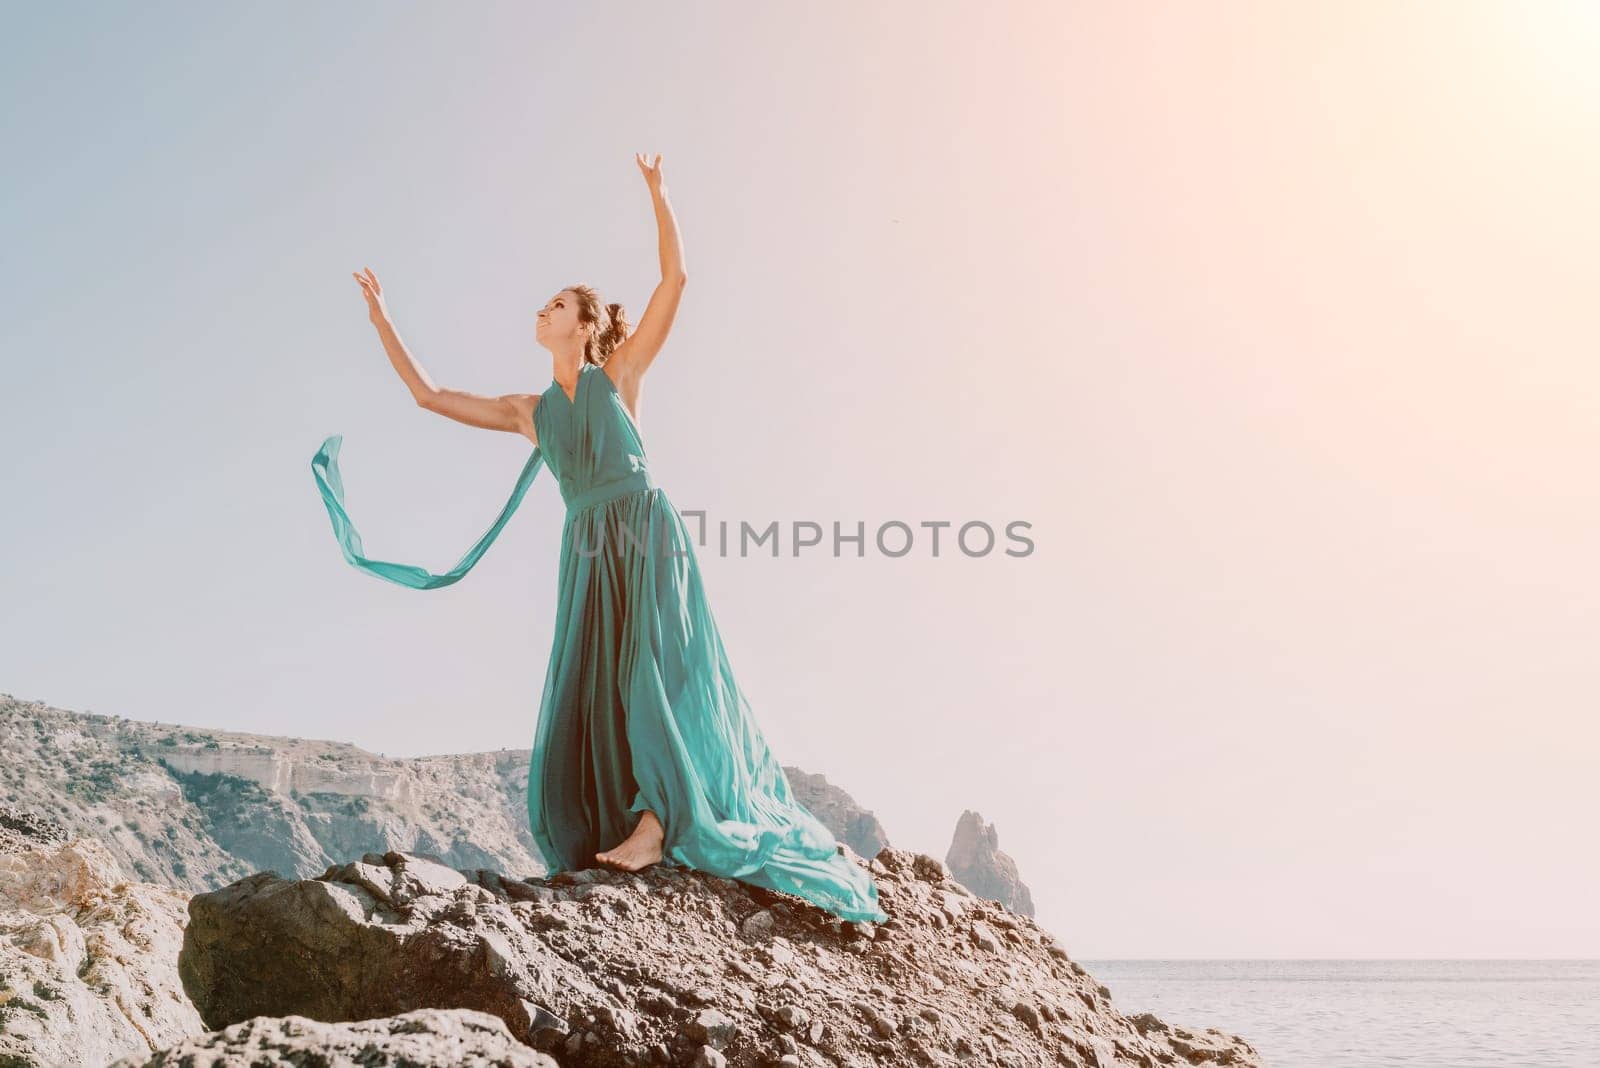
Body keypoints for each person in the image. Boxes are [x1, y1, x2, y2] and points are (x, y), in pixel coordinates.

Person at [309, 153, 888, 924]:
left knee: (655, 675)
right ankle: (628, 816)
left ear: (583, 325)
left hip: (644, 534)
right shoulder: (527, 410)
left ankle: (658, 824)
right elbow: (427, 396)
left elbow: (673, 283)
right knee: (600, 686)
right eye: (542, 304)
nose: (540, 311)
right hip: (586, 550)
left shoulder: (620, 375)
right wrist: (383, 319)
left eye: (556, 304)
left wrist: (659, 193)